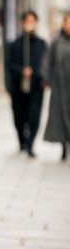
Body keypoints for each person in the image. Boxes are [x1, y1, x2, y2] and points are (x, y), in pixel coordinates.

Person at [7, 11, 47, 157]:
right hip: (18, 87)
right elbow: (10, 65)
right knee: (19, 117)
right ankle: (22, 141)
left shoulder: (42, 44)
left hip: (36, 87)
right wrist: (21, 71)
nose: (29, 24)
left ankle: (30, 144)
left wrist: (38, 75)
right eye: (27, 21)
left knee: (34, 116)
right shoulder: (15, 44)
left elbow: (45, 64)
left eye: (32, 21)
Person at [43, 12, 70, 160]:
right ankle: (64, 145)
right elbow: (48, 62)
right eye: (67, 23)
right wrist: (47, 79)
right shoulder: (57, 43)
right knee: (61, 116)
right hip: (60, 86)